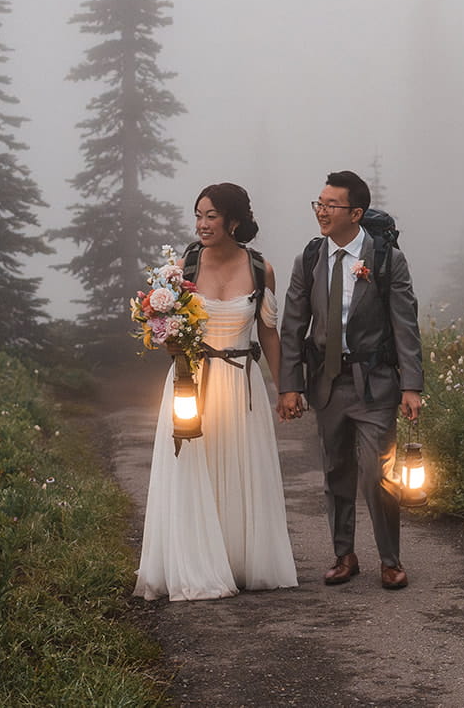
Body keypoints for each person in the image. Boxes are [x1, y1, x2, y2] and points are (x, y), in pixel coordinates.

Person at [134, 183, 299, 601]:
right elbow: (163, 325)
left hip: (241, 381)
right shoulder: (184, 267)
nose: (202, 224)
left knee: (240, 466)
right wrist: (166, 335)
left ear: (234, 221)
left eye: (211, 216)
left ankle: (238, 560)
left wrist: (285, 391)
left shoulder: (261, 269)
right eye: (198, 215)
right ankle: (195, 563)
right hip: (192, 382)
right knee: (193, 468)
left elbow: (270, 333)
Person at [278, 170, 423, 589]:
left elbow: (405, 324)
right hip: (326, 383)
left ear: (355, 213)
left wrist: (411, 385)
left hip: (374, 383)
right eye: (318, 204)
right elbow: (293, 326)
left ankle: (391, 560)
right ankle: (344, 556)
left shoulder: (384, 259)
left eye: (331, 205)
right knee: (335, 471)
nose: (321, 212)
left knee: (378, 474)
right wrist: (289, 386)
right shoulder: (309, 259)